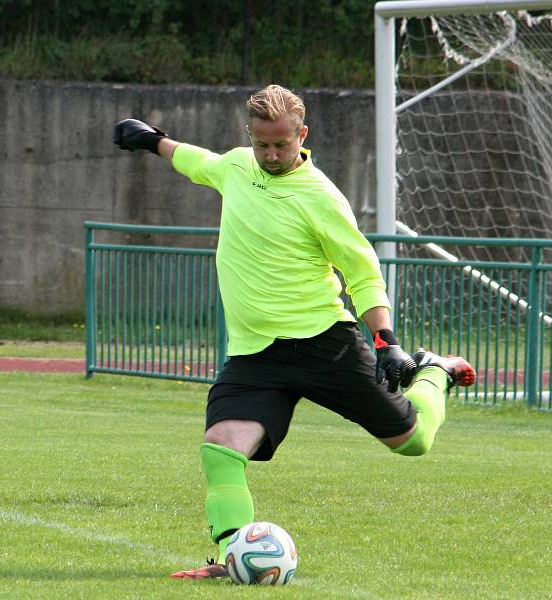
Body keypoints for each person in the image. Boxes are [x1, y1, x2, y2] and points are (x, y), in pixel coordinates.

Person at [113, 84, 476, 579]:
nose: (271, 154)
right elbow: (198, 161)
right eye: (262, 144)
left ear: (301, 135)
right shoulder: (239, 166)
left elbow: (363, 271)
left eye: (281, 145)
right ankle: (230, 560)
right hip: (254, 356)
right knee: (220, 449)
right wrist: (154, 140)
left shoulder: (321, 197)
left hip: (324, 345)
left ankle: (436, 373)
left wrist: (387, 342)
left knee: (412, 441)